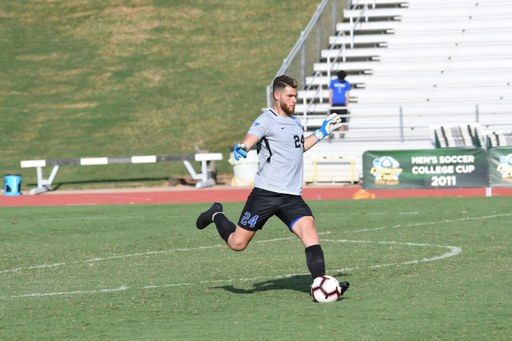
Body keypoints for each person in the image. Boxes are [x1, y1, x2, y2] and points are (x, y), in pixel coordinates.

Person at [196, 75, 350, 297]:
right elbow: (252, 136)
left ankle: (321, 282)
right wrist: (244, 146)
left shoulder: (296, 122)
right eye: (290, 96)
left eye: (296, 96)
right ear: (277, 96)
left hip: (292, 197)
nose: (294, 100)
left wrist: (321, 133)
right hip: (265, 195)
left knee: (310, 235)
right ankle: (215, 215)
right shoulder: (266, 120)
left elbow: (298, 148)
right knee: (237, 244)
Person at [328, 70, 351, 139]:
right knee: (332, 121)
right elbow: (330, 92)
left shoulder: (346, 83)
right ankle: (331, 135)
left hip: (342, 104)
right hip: (334, 104)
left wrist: (346, 104)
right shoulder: (333, 82)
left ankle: (341, 135)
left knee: (342, 121)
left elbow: (348, 94)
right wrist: (330, 103)